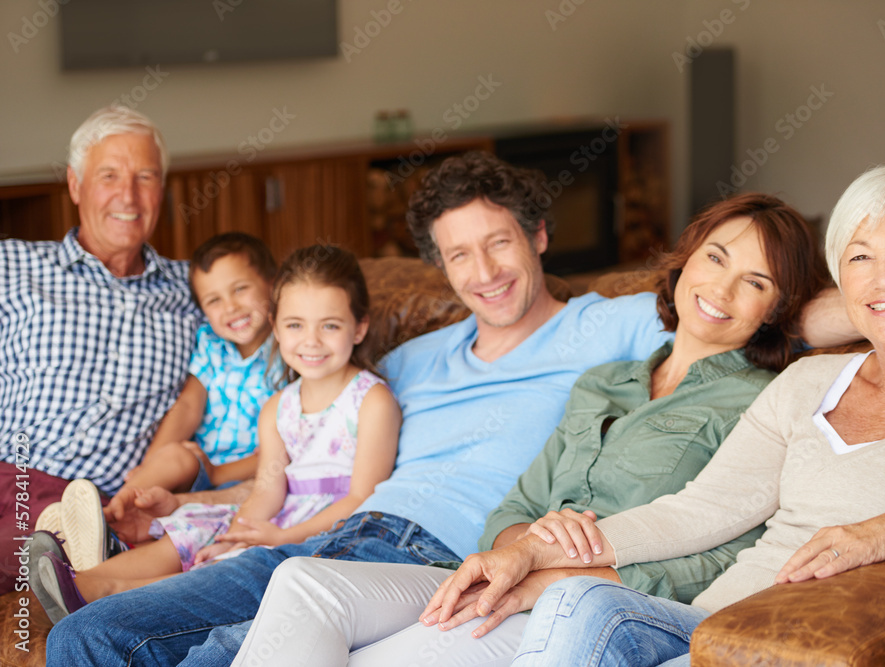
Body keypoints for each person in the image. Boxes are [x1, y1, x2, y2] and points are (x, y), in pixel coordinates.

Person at [45, 151, 676, 666]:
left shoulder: (607, 325)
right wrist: (185, 503)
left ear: (538, 236)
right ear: (440, 266)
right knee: (84, 638)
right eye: (458, 254)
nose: (483, 271)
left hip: (437, 559)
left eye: (499, 242)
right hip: (332, 535)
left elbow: (721, 328)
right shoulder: (408, 361)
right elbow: (310, 466)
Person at [421, 163, 885, 667]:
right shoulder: (807, 382)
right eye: (860, 257)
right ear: (841, 281)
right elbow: (701, 511)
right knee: (577, 600)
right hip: (707, 628)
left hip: (808, 644)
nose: (884, 279)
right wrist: (527, 553)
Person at [228, 192, 830, 666]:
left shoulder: (764, 399)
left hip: (583, 603)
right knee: (304, 583)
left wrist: (553, 575)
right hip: (500, 571)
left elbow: (730, 549)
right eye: (716, 258)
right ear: (688, 258)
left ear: (778, 308)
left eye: (757, 282)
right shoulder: (605, 380)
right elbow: (516, 505)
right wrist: (523, 545)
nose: (721, 289)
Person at [29, 245, 401, 625]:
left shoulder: (371, 400)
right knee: (205, 528)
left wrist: (276, 536)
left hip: (328, 528)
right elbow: (266, 490)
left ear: (359, 327)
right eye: (295, 325)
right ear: (276, 327)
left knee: (231, 564)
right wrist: (237, 533)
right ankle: (83, 577)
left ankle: (103, 593)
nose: (311, 341)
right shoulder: (278, 407)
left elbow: (363, 497)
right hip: (280, 512)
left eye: (330, 325)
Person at [0, 105, 202, 593]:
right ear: (75, 185)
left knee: (109, 527)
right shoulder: (12, 266)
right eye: (108, 175)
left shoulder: (197, 291)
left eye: (145, 177)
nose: (127, 196)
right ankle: (69, 549)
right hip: (13, 477)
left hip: (110, 506)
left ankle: (74, 554)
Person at [35, 232, 282, 572]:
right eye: (214, 300)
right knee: (176, 455)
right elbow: (187, 407)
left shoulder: (288, 354)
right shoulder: (212, 346)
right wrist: (151, 465)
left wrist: (218, 471)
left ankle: (108, 540)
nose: (231, 307)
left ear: (273, 283)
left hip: (254, 477)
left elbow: (282, 449)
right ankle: (107, 519)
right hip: (202, 465)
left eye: (240, 289)